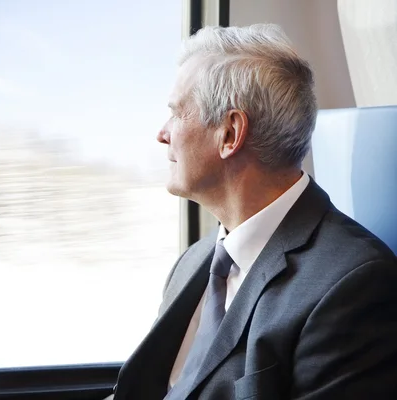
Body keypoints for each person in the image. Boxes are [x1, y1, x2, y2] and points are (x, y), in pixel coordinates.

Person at [109, 24, 397, 399]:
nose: (163, 134)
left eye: (177, 113)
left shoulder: (352, 284)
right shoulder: (192, 263)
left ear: (230, 134)